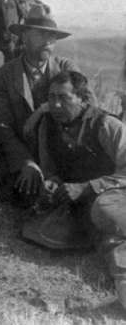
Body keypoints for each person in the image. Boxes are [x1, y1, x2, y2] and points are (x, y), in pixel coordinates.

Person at [26, 70, 126, 311]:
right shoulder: (47, 126)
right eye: (51, 97)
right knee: (58, 233)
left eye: (64, 98)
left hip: (116, 194)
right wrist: (51, 183)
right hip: (84, 205)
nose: (55, 105)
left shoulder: (106, 125)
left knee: (106, 212)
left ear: (83, 99)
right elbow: (50, 169)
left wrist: (87, 186)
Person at [0, 5, 76, 203]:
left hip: (60, 157)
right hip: (20, 156)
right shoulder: (5, 75)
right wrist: (25, 161)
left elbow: (85, 107)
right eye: (41, 34)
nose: (48, 41)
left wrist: (43, 109)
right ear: (25, 36)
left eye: (52, 36)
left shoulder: (66, 69)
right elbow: (3, 126)